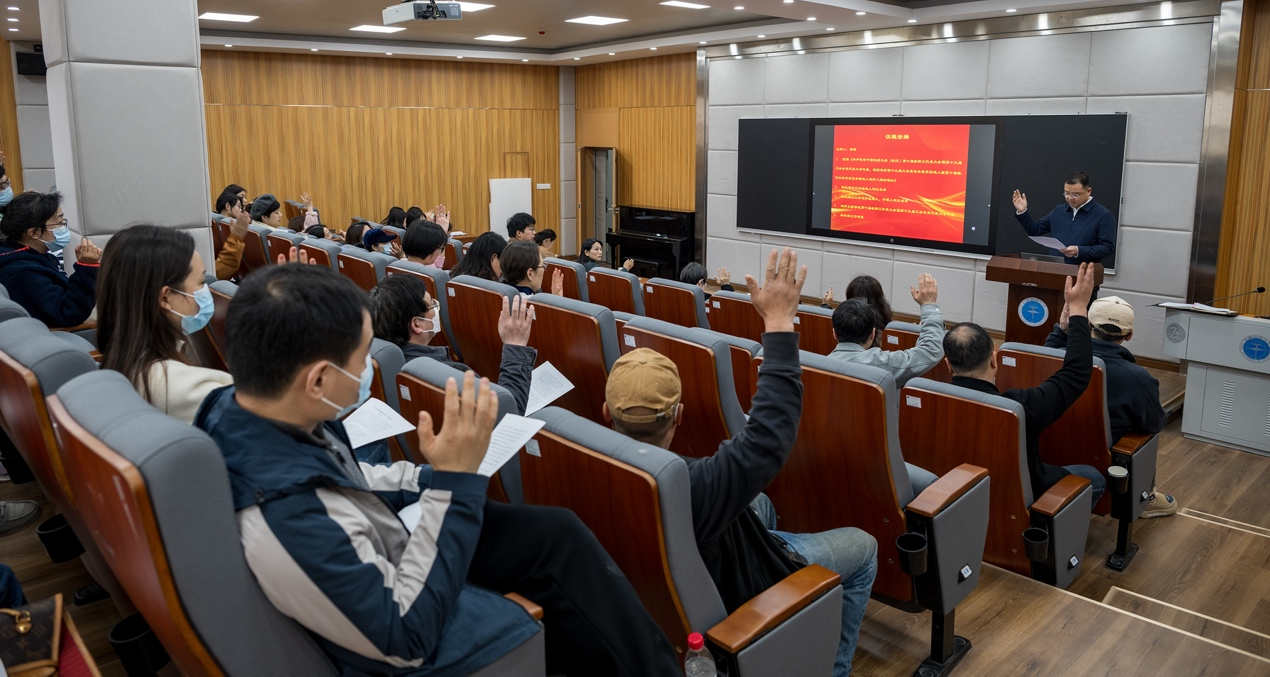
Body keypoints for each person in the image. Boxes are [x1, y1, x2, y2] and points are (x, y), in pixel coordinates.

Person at [195, 264, 679, 677]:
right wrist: (454, 483)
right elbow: (405, 635)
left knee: (555, 533)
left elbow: (352, 481)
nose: (368, 369)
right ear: (318, 380)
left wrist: (428, 476)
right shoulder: (288, 518)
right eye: (361, 359)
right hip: (409, 624)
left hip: (385, 542)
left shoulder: (259, 411)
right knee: (557, 563)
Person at [602, 248, 876, 677]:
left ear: (605, 413)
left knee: (760, 503)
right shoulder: (695, 484)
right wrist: (779, 323)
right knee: (865, 546)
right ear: (679, 416)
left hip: (691, 569)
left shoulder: (588, 466)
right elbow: (768, 436)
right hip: (743, 585)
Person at [944, 262, 1106, 503]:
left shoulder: (930, 400)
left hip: (954, 494)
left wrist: (1062, 331)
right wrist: (1078, 309)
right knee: (1093, 476)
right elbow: (1077, 373)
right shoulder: (1017, 407)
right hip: (1019, 498)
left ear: (948, 365)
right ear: (994, 359)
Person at [1045, 295, 1175, 518]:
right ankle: (1146, 498)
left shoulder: (1052, 359)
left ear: (1087, 325)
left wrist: (1062, 331)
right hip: (1103, 465)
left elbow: (1046, 354)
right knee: (1143, 439)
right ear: (1129, 335)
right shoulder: (1138, 378)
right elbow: (1154, 424)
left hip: (1046, 454)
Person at [98, 225, 231, 423]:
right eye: (201, 282)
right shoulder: (192, 390)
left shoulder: (120, 362)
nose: (205, 291)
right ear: (166, 298)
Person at [369, 274, 535, 413]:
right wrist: (515, 346)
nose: (437, 309)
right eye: (432, 305)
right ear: (417, 323)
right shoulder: (453, 376)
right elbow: (510, 414)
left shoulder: (381, 364)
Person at [0, 191, 100, 328]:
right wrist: (86, 268)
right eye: (59, 223)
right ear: (34, 233)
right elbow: (67, 314)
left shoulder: (32, 254)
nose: (64, 228)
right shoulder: (24, 274)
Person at [830, 274, 944, 387]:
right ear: (872, 334)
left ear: (834, 333)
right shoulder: (881, 365)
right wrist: (929, 306)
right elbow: (930, 351)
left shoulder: (820, 366)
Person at [1013, 172, 1117, 266]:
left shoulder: (1103, 215)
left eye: (1075, 194)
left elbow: (1107, 248)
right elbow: (1035, 230)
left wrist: (1079, 251)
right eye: (1066, 193)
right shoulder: (1059, 211)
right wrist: (1023, 211)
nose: (1070, 198)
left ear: (1088, 191)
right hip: (1054, 270)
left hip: (1081, 273)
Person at [213, 190, 250, 280]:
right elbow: (225, 266)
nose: (241, 210)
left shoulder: (213, 221)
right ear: (228, 206)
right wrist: (237, 237)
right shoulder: (231, 226)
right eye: (239, 206)